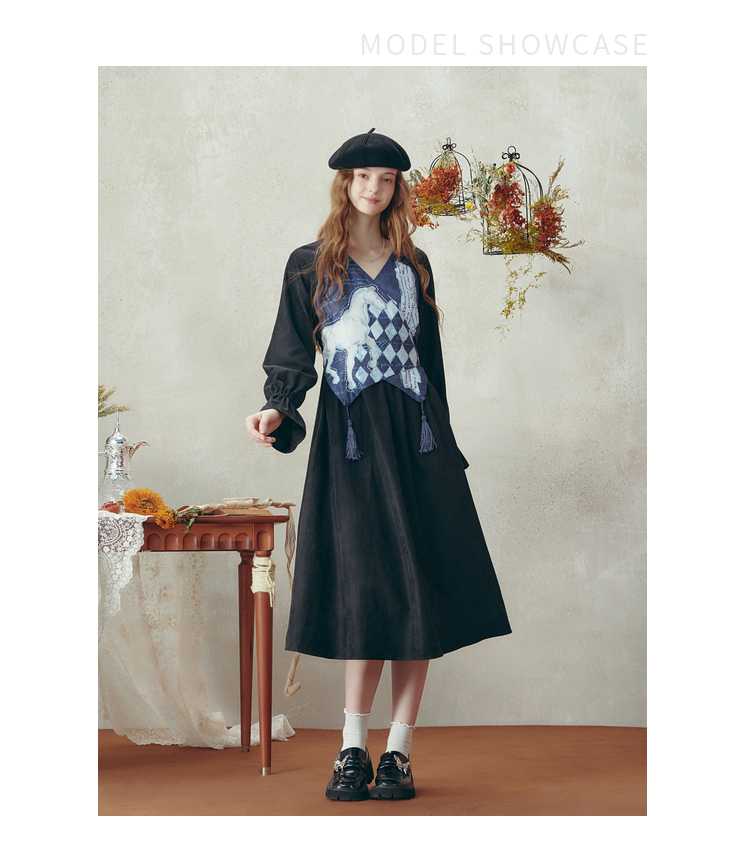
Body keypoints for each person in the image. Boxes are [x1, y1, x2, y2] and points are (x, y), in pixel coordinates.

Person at [246, 128, 511, 801]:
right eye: (362, 176)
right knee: (364, 585)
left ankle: (398, 750)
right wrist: (277, 408)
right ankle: (351, 748)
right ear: (345, 184)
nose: (374, 187)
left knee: (419, 586)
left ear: (398, 188)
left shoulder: (414, 265)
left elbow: (432, 366)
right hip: (351, 442)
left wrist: (446, 447)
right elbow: (292, 352)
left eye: (386, 178)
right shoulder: (310, 265)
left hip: (417, 442)